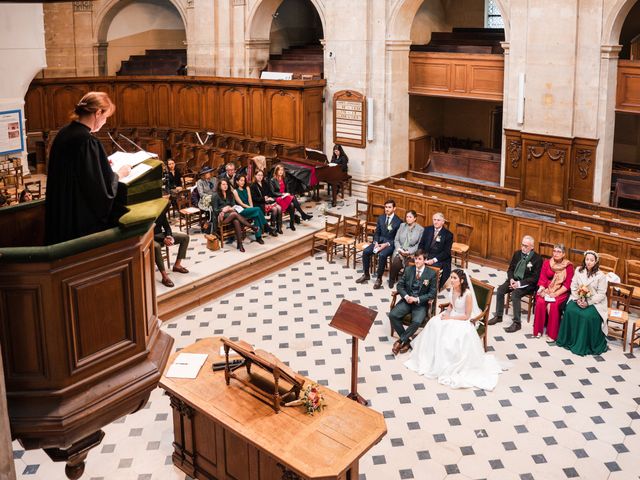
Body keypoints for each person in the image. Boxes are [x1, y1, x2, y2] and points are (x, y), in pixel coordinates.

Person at [44, 91, 131, 245]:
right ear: (98, 113)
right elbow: (100, 192)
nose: (104, 122)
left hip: (61, 216)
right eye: (105, 117)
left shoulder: (64, 133)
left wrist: (101, 165)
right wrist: (118, 174)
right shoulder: (87, 141)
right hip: (80, 224)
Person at [404, 269, 506, 391]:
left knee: (451, 336)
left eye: (454, 278)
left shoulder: (467, 294)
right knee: (434, 323)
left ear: (461, 281)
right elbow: (451, 305)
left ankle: (447, 362)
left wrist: (450, 318)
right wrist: (446, 314)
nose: (451, 280)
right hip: (451, 314)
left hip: (462, 320)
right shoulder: (452, 289)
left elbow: (467, 316)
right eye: (451, 277)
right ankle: (431, 358)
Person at [555, 251, 608, 356]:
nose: (589, 262)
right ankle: (567, 339)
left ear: (596, 261)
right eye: (587, 259)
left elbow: (601, 294)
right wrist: (578, 299)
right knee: (570, 310)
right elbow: (573, 286)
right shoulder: (579, 270)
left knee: (586, 316)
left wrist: (588, 302)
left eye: (591, 260)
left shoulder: (601, 276)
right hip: (578, 298)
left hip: (595, 303)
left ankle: (582, 344)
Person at [489, 235, 543, 332]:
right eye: (522, 245)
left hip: (527, 284)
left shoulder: (537, 259)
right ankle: (498, 316)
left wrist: (519, 283)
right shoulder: (517, 254)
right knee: (500, 290)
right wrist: (511, 279)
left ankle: (517, 323)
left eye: (526, 246)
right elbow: (510, 269)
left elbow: (534, 278)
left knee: (515, 294)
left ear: (532, 247)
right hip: (513, 280)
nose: (523, 247)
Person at [389, 250, 437, 355]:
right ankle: (407, 341)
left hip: (420, 304)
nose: (417, 261)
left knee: (416, 321)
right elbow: (400, 286)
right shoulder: (409, 269)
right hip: (407, 301)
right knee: (393, 315)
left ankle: (400, 341)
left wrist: (417, 299)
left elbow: (432, 294)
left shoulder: (431, 274)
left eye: (419, 259)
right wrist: (406, 296)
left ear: (425, 260)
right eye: (415, 258)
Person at [356, 199, 402, 289]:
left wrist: (386, 244)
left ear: (394, 208)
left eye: (389, 207)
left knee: (382, 255)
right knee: (365, 252)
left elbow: (397, 238)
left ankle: (379, 279)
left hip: (389, 244)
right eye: (386, 207)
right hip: (379, 242)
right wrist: (376, 242)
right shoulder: (381, 218)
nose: (387, 209)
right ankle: (366, 274)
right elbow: (377, 232)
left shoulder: (398, 221)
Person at [532, 244, 574, 340]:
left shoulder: (568, 266)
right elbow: (542, 278)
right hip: (547, 289)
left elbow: (567, 285)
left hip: (561, 291)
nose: (555, 253)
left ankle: (552, 334)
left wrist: (555, 294)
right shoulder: (547, 263)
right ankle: (538, 330)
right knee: (540, 302)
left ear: (563, 254)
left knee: (553, 305)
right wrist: (542, 289)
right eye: (554, 251)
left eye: (558, 251)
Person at [212, 178, 257, 252]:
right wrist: (223, 209)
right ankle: (251, 226)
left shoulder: (230, 194)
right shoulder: (215, 195)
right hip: (221, 217)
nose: (225, 186)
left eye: (226, 184)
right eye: (223, 184)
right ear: (219, 186)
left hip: (231, 213)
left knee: (236, 220)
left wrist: (229, 208)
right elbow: (215, 210)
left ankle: (240, 244)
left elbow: (233, 205)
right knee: (234, 214)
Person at [269, 164, 313, 231]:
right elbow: (273, 192)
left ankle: (291, 224)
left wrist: (287, 194)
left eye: (282, 170)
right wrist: (282, 194)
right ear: (276, 171)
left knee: (292, 205)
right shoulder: (272, 180)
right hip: (278, 197)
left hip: (285, 197)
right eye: (279, 170)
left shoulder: (285, 179)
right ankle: (302, 214)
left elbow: (287, 190)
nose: (281, 172)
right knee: (293, 197)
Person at [154, 208, 190, 288]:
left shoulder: (160, 211)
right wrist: (163, 240)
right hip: (151, 238)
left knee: (185, 237)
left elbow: (167, 227)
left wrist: (168, 236)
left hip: (161, 235)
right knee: (156, 247)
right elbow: (146, 234)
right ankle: (165, 277)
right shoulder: (146, 214)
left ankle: (177, 265)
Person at [388, 210, 424, 289]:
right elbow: (396, 240)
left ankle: (404, 282)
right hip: (400, 250)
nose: (408, 219)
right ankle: (391, 279)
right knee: (396, 263)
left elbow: (418, 244)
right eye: (407, 217)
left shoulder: (420, 229)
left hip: (411, 253)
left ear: (415, 218)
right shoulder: (402, 225)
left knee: (409, 266)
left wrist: (409, 251)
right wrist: (399, 249)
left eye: (410, 217)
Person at [418, 212, 453, 289]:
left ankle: (427, 288)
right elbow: (421, 244)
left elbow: (446, 253)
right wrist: (422, 256)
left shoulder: (448, 235)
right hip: (426, 255)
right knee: (413, 263)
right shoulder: (427, 229)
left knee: (429, 269)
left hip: (439, 258)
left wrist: (433, 260)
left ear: (443, 222)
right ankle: (416, 284)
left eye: (438, 220)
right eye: (434, 219)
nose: (436, 222)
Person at [233, 174, 268, 245]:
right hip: (242, 210)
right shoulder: (235, 191)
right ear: (237, 182)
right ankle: (266, 226)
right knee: (257, 209)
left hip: (250, 208)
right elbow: (241, 203)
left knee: (256, 215)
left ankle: (258, 237)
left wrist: (252, 207)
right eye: (241, 180)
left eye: (244, 180)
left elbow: (250, 200)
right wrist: (251, 208)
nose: (243, 182)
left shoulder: (247, 188)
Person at [251, 169, 282, 236]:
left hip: (267, 202)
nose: (260, 177)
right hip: (260, 204)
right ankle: (272, 228)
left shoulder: (264, 183)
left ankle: (279, 227)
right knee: (275, 209)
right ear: (255, 176)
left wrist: (268, 197)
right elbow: (254, 198)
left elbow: (269, 192)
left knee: (279, 208)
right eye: (258, 175)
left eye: (261, 175)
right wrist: (263, 198)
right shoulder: (253, 185)